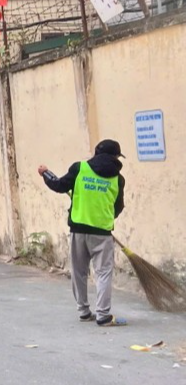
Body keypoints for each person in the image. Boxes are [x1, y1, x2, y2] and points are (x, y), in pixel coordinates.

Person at [38, 139, 127, 327]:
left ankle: (84, 312)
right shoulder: (118, 179)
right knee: (103, 273)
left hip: (78, 231)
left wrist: (45, 173)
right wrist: (104, 217)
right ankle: (103, 315)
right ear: (115, 157)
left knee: (79, 271)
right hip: (102, 233)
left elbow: (59, 185)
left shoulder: (79, 169)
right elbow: (118, 207)